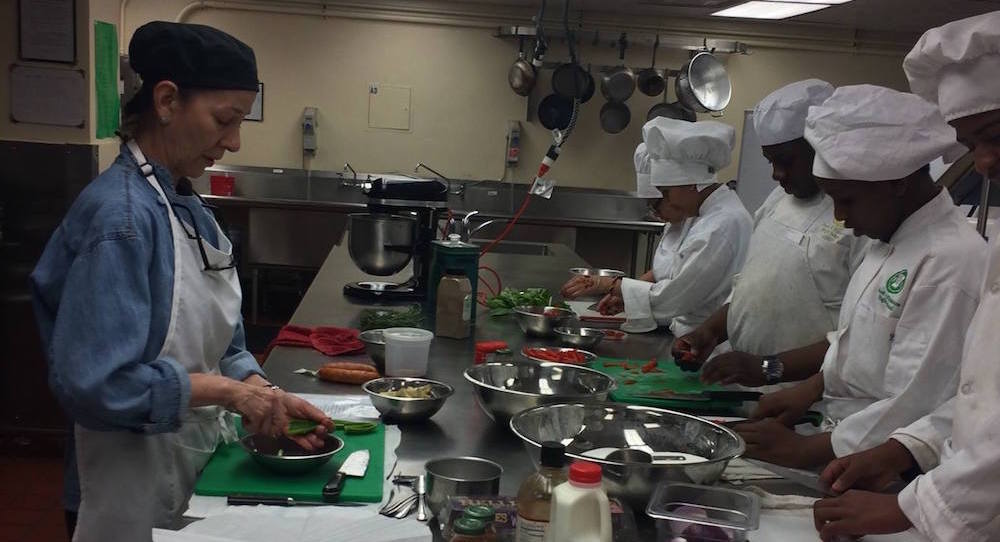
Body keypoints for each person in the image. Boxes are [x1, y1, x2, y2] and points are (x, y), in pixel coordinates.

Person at [30, 21, 333, 541]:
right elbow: (98, 385)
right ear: (167, 101)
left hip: (188, 463)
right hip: (123, 487)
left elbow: (224, 342)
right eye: (224, 120)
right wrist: (228, 394)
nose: (234, 141)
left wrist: (262, 390)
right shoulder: (121, 219)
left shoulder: (187, 206)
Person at [729, 85, 986, 470]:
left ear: (897, 183)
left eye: (846, 200)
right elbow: (857, 342)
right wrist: (810, 389)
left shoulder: (949, 261)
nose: (840, 218)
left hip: (880, 466)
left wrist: (805, 451)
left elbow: (915, 404)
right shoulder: (890, 238)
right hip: (839, 439)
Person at [813, 12, 1000, 541]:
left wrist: (909, 508)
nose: (983, 164)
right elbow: (975, 401)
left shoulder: (952, 257)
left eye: (994, 136)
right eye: (971, 144)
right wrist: (909, 447)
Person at [672, 79, 867, 386]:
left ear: (822, 145)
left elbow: (859, 341)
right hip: (747, 388)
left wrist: (767, 368)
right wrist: (709, 332)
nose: (777, 174)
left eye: (786, 161)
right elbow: (753, 287)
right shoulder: (778, 200)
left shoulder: (859, 219)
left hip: (805, 405)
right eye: (771, 161)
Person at [562, 118, 753, 337]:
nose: (666, 201)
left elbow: (675, 297)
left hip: (707, 344)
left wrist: (608, 284)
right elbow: (672, 274)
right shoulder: (702, 213)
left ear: (691, 183)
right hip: (688, 334)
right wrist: (626, 296)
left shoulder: (722, 225)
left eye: (666, 192)